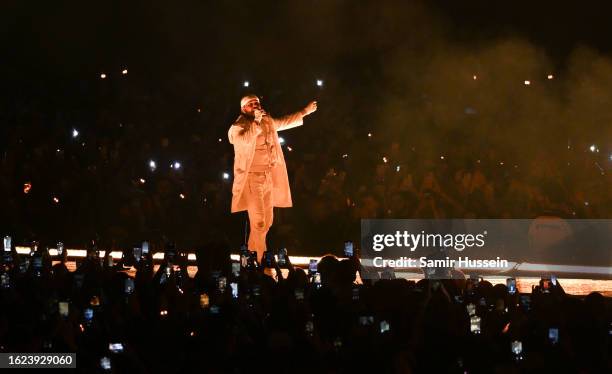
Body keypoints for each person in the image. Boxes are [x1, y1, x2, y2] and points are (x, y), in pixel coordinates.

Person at [228, 95, 317, 261]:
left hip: (267, 177)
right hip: (252, 180)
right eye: (251, 104)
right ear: (243, 109)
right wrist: (255, 121)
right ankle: (263, 263)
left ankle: (249, 258)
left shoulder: (267, 121)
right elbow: (244, 141)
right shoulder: (238, 126)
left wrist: (304, 112)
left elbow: (283, 122)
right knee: (259, 223)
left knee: (267, 222)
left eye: (257, 103)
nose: (255, 105)